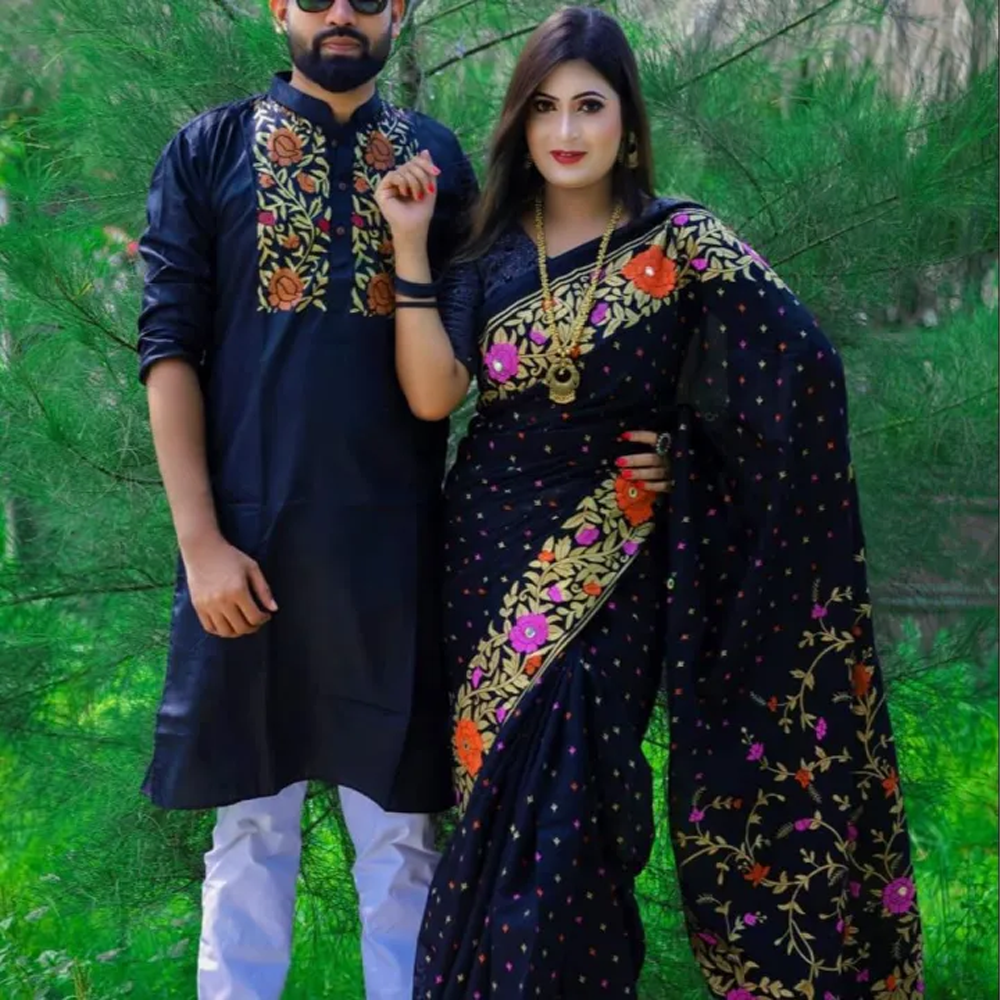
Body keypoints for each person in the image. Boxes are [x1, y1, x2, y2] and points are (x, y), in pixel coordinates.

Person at [373, 6, 925, 998]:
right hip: (488, 555)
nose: (566, 130)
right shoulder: (485, 249)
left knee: (581, 815)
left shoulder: (685, 242)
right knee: (498, 817)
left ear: (627, 120)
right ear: (520, 123)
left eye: (589, 106)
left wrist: (695, 459)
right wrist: (410, 249)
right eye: (544, 107)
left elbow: (799, 377)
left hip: (618, 560)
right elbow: (431, 393)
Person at [136, 0, 477, 996]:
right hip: (249, 551)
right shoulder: (207, 151)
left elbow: (466, 365)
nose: (341, 14)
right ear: (277, 6)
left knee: (403, 843)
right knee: (249, 835)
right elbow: (168, 350)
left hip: (393, 559)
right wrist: (201, 544)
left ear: (397, 10)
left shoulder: (438, 162)